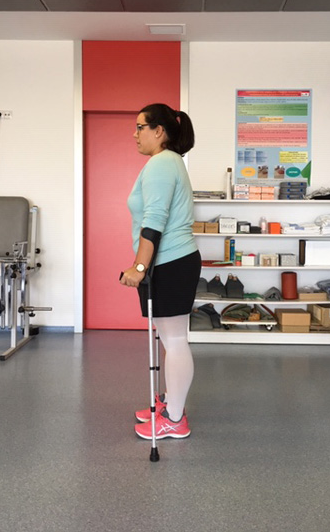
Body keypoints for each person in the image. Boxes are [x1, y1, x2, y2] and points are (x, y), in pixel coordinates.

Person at [120, 103, 201, 440]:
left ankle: (175, 419)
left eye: (140, 127)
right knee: (171, 339)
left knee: (176, 340)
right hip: (169, 261)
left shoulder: (162, 163)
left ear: (159, 131)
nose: (135, 134)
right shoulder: (168, 162)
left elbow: (154, 222)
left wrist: (139, 267)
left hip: (171, 261)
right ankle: (170, 404)